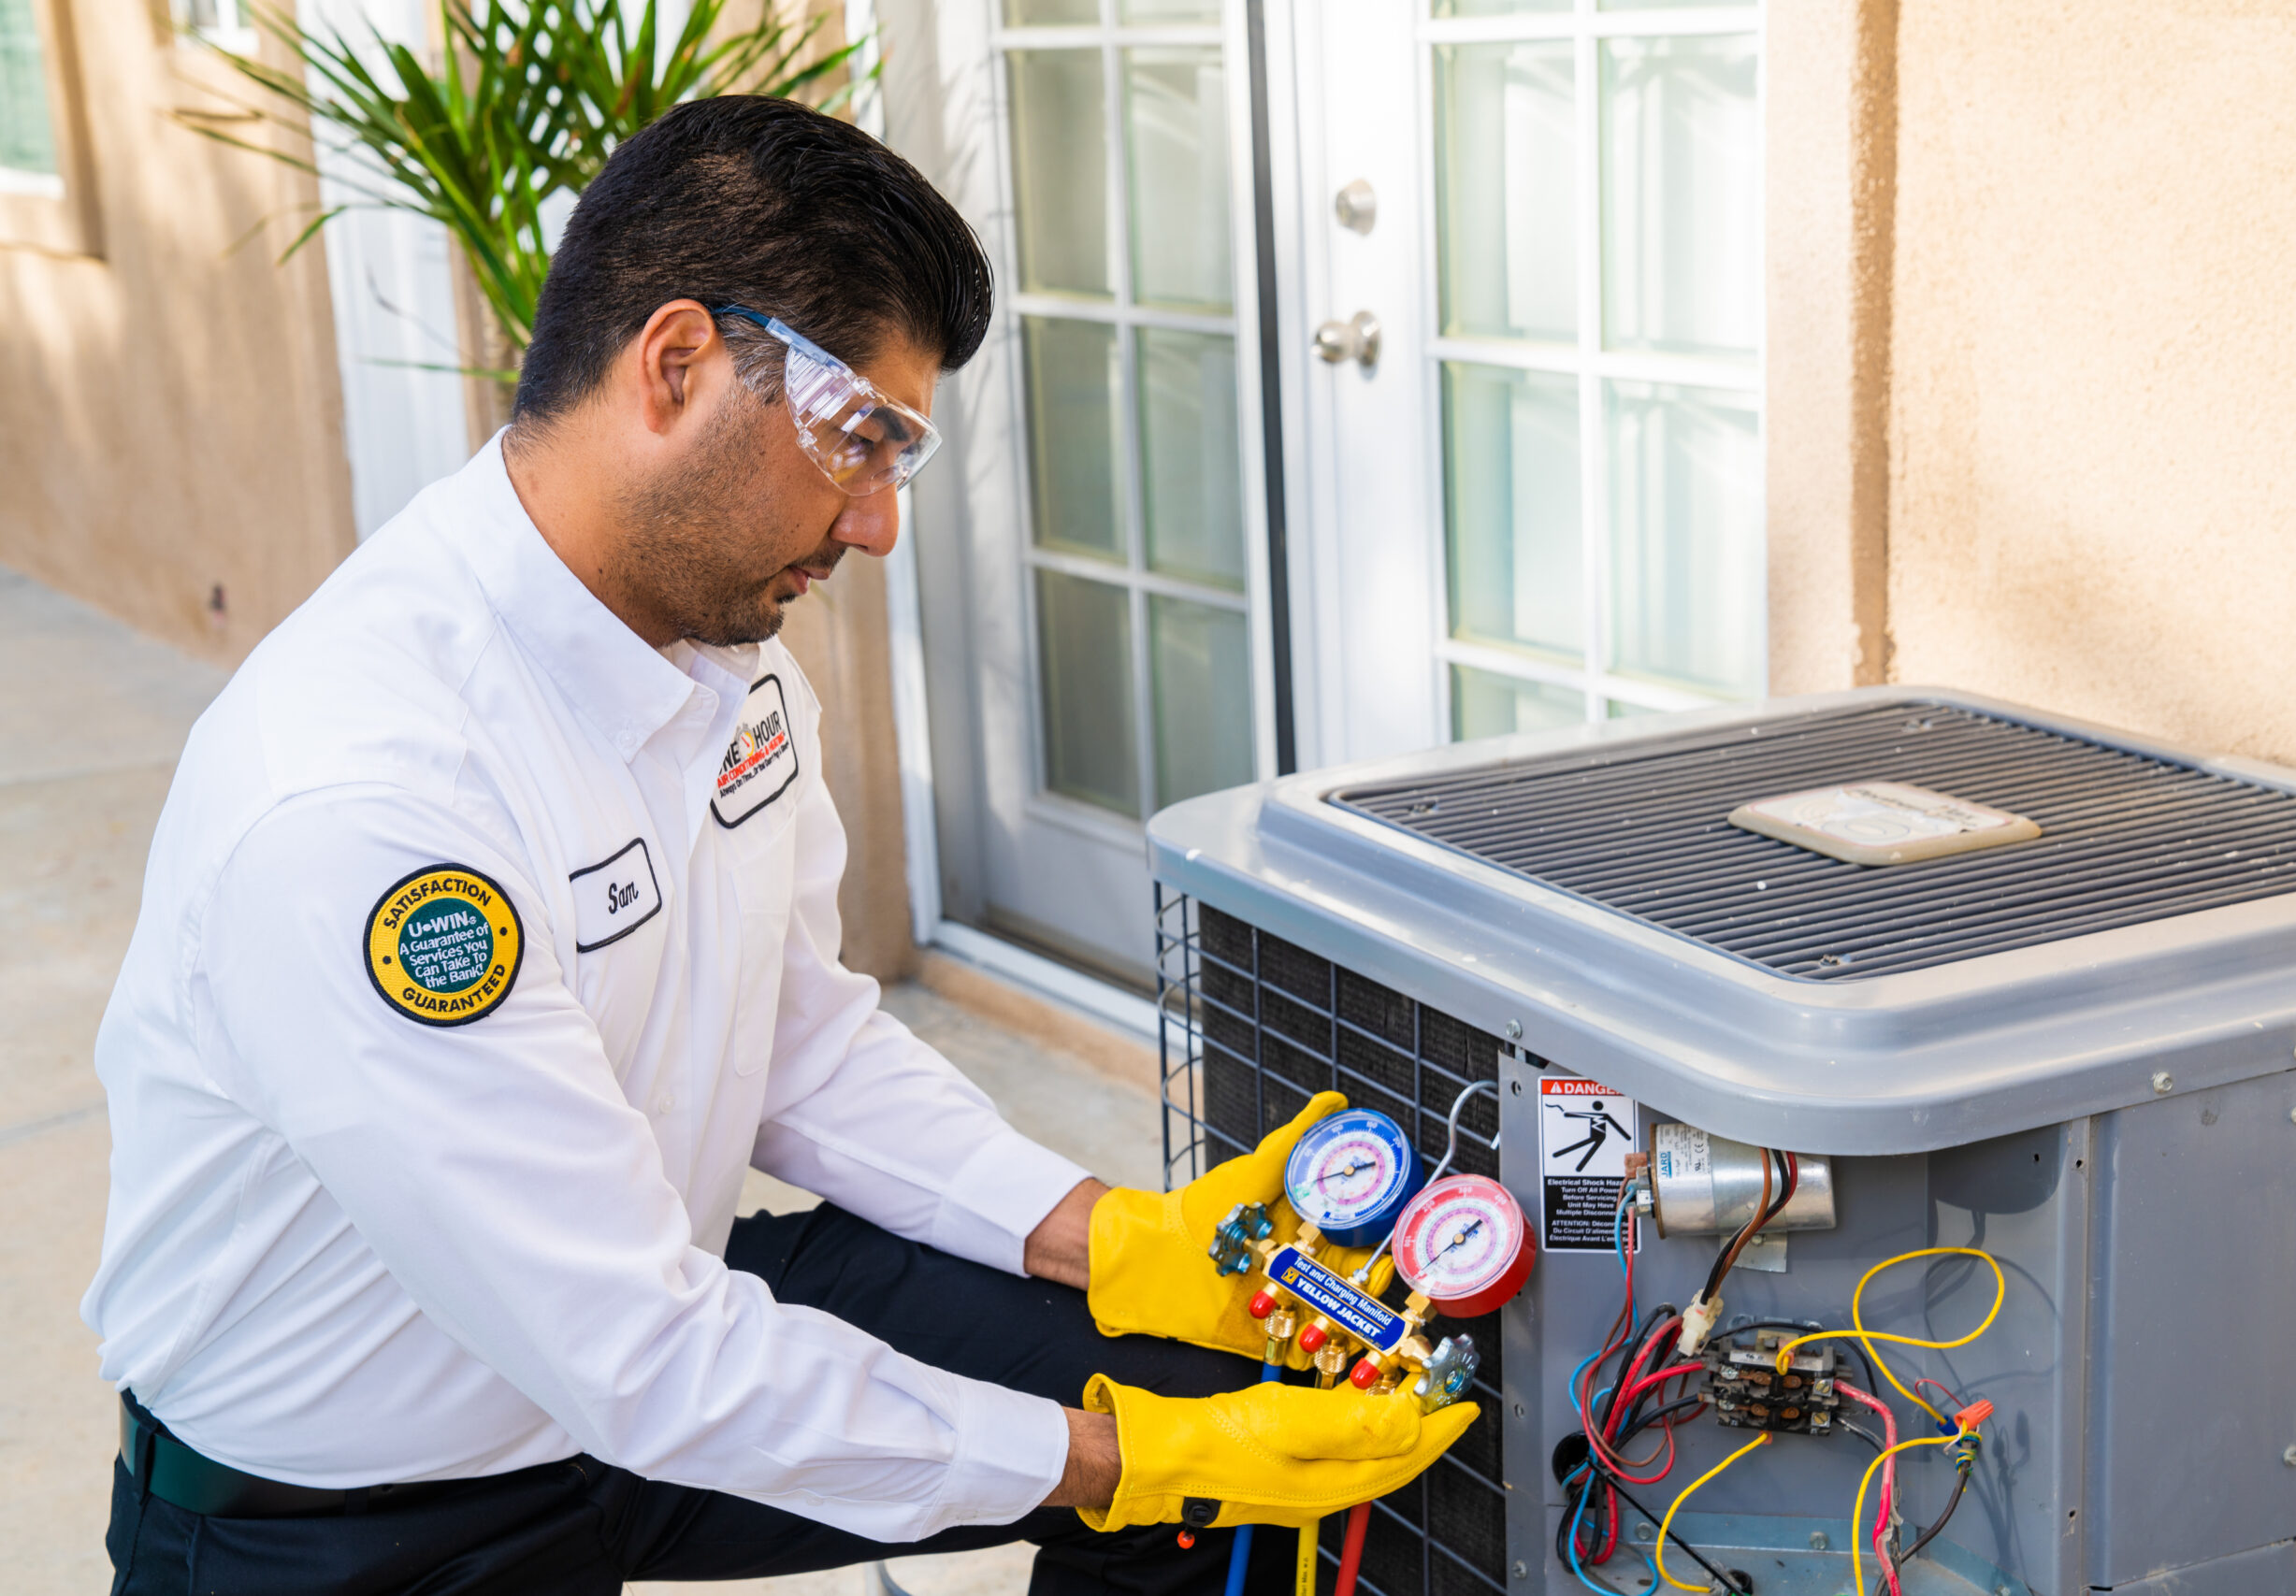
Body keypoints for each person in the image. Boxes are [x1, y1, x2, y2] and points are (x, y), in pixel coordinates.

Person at [82, 95, 1473, 1595]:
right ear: (675, 365)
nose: (877, 524)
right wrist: (1119, 1464)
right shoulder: (365, 804)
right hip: (354, 1511)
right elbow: (647, 1360)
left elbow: (796, 1041)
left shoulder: (721, 660)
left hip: (625, 1364)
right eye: (858, 439)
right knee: (1148, 1459)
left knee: (1211, 1419)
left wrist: (1106, 1237)